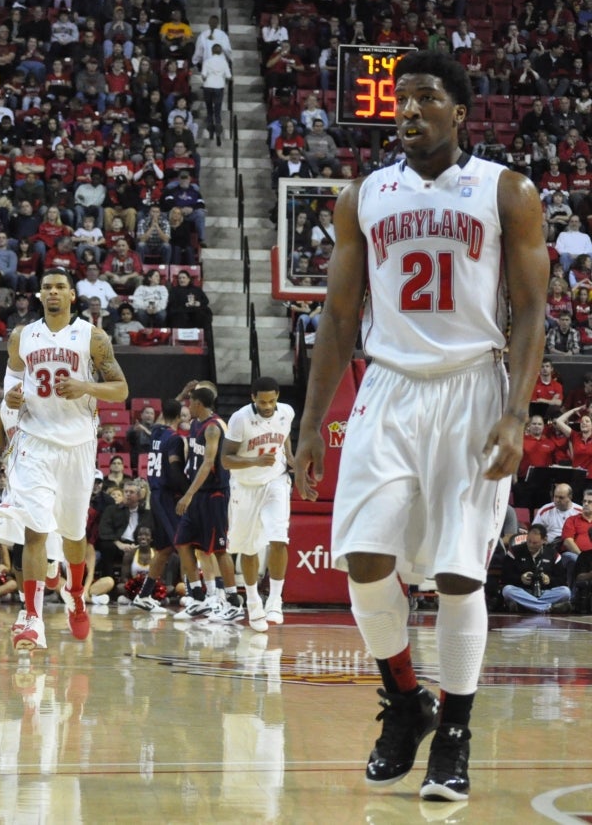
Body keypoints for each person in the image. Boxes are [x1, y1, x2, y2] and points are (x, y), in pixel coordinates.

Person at [293, 51, 548, 803]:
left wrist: (516, 409)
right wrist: (311, 423)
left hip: (472, 386)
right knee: (366, 561)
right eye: (401, 101)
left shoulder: (507, 190)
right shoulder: (363, 195)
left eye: (426, 98)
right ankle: (406, 702)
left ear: (460, 111)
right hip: (389, 386)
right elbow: (340, 315)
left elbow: (532, 310)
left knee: (460, 573)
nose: (408, 111)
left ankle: (457, 733)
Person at [0, 268, 129, 651]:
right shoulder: (22, 336)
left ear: (72, 295)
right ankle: (33, 619)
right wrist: (11, 397)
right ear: (39, 295)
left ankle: (75, 592)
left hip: (77, 445)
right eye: (47, 287)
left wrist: (85, 386)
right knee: (36, 530)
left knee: (72, 535)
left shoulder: (94, 337)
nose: (53, 292)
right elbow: (11, 377)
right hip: (34, 441)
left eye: (60, 287)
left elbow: (121, 389)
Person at [221, 376, 295, 629]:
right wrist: (254, 461)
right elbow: (226, 460)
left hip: (275, 481)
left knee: (278, 537)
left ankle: (275, 600)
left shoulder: (286, 412)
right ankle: (253, 602)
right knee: (249, 547)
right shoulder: (240, 419)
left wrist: (292, 460)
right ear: (253, 398)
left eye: (272, 401)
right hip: (245, 486)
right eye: (262, 401)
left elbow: (284, 438)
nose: (267, 406)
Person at [172, 386, 240, 620]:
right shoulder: (194, 425)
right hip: (198, 493)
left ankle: (233, 601)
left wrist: (188, 494)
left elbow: (208, 462)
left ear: (198, 403)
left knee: (219, 550)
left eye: (190, 402)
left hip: (214, 495)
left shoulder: (213, 427)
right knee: (182, 542)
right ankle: (199, 598)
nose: (187, 406)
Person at [132, 398, 187, 613]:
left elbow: (165, 415)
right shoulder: (174, 439)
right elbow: (173, 473)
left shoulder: (156, 432)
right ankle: (195, 596)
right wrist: (187, 491)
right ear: (180, 417)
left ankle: (144, 595)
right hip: (166, 495)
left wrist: (181, 394)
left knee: (164, 549)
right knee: (183, 544)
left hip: (154, 495)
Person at [500, 524, 571, 613]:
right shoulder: (514, 551)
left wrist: (549, 580)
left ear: (544, 540)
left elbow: (562, 580)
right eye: (528, 541)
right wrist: (520, 578)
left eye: (535, 543)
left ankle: (527, 606)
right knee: (507, 590)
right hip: (523, 591)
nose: (530, 545)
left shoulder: (553, 554)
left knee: (565, 592)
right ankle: (546, 607)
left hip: (544, 592)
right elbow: (505, 577)